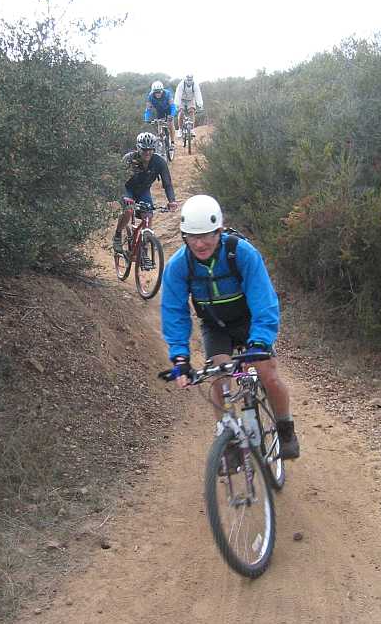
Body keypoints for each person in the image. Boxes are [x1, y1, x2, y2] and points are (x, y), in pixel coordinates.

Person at [160, 194, 300, 459]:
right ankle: (228, 436)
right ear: (184, 236)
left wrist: (259, 341)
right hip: (216, 326)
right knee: (219, 376)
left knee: (268, 373)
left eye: (207, 236)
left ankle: (285, 429)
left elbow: (263, 301)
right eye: (192, 236)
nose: (199, 243)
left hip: (249, 322)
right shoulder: (180, 265)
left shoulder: (242, 253)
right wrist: (180, 356)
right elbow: (173, 312)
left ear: (219, 231)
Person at [112, 132, 178, 253]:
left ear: (154, 149)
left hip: (143, 190)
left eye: (150, 149)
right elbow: (118, 180)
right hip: (127, 189)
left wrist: (172, 200)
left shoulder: (159, 162)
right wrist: (122, 196)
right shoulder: (129, 158)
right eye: (144, 149)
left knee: (148, 216)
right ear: (138, 148)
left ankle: (144, 247)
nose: (147, 152)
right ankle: (117, 235)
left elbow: (167, 183)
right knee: (129, 210)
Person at [144, 80, 177, 147]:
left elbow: (173, 106)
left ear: (162, 90)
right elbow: (148, 109)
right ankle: (161, 141)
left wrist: (172, 115)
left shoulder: (167, 94)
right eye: (156, 92)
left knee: (170, 124)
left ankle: (173, 142)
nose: (157, 94)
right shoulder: (150, 96)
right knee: (159, 124)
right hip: (159, 111)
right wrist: (147, 119)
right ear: (153, 92)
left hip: (168, 109)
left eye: (159, 92)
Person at [174, 74, 203, 143]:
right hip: (182, 99)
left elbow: (198, 94)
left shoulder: (195, 85)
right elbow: (178, 94)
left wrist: (200, 104)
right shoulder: (181, 85)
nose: (189, 81)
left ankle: (192, 129)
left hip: (190, 99)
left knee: (192, 111)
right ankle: (180, 129)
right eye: (188, 80)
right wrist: (177, 104)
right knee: (181, 112)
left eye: (190, 80)